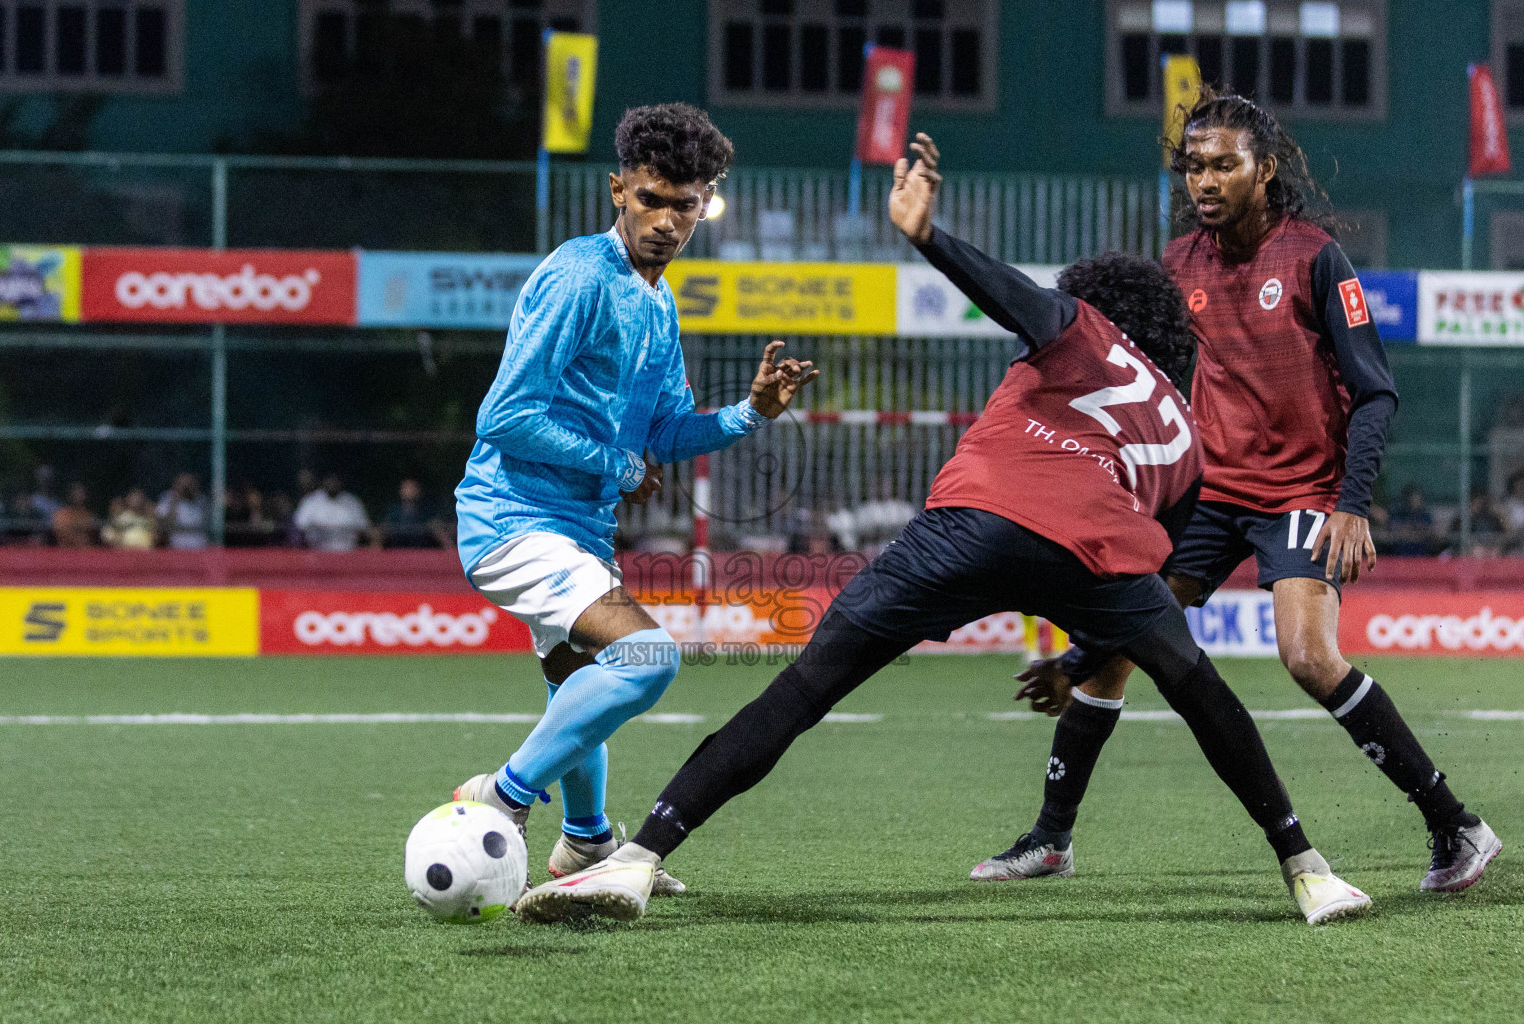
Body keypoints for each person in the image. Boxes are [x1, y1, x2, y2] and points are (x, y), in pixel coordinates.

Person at [513, 133, 1368, 928]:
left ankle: (635, 858)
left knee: (802, 692)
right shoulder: (1185, 430)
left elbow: (1013, 296)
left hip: (974, 523)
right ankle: (1307, 867)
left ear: (1095, 303)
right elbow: (1167, 559)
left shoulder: (1078, 326)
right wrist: (1088, 650)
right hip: (1098, 557)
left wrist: (928, 236)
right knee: (1202, 693)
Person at [989, 91, 1497, 894]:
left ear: (1265, 170)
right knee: (1122, 644)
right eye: (1194, 165)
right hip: (1211, 493)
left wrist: (1352, 504)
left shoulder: (1315, 257)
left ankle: (1456, 825)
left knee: (1306, 657)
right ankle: (1052, 838)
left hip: (1301, 492)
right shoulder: (1178, 264)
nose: (1207, 179)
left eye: (1225, 163)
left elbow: (1375, 393)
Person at [448, 103, 815, 895]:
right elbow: (505, 415)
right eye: (652, 199)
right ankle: (503, 798)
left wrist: (751, 412)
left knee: (573, 676)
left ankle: (583, 843)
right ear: (619, 189)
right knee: (647, 656)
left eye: (687, 205)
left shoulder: (659, 300)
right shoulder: (580, 275)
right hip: (512, 519)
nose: (668, 220)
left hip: (579, 531)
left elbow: (667, 432)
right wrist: (616, 464)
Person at [293, 474, 371, 552]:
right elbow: (299, 526)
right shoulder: (311, 501)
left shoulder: (352, 502)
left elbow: (364, 528)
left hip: (347, 554)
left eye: (335, 481)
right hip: (317, 553)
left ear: (340, 482)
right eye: (329, 481)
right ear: (323, 482)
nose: (332, 484)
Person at [379, 479, 453, 549]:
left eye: (412, 488)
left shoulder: (426, 511)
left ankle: (452, 555)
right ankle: (373, 558)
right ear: (401, 491)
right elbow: (385, 527)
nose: (409, 491)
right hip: (396, 546)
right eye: (406, 488)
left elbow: (435, 526)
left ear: (418, 491)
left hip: (422, 546)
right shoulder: (394, 511)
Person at [156, 473, 210, 549]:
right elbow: (164, 524)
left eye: (189, 484)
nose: (186, 487)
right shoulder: (168, 498)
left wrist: (192, 496)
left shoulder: (201, 500)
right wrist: (175, 500)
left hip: (197, 541)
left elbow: (206, 524)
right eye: (183, 484)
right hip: (177, 540)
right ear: (176, 484)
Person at [1386, 483, 1436, 556]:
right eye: (1412, 498)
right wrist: (1412, 534)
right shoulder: (1398, 514)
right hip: (1401, 555)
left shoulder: (1425, 516)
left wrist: (1414, 534)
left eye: (1417, 498)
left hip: (1421, 555)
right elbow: (1395, 534)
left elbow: (1429, 533)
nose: (1414, 501)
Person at [50, 482, 98, 548]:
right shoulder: (62, 515)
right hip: (66, 552)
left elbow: (93, 533)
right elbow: (62, 534)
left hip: (86, 552)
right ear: (70, 494)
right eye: (76, 492)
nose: (78, 495)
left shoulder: (88, 515)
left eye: (81, 492)